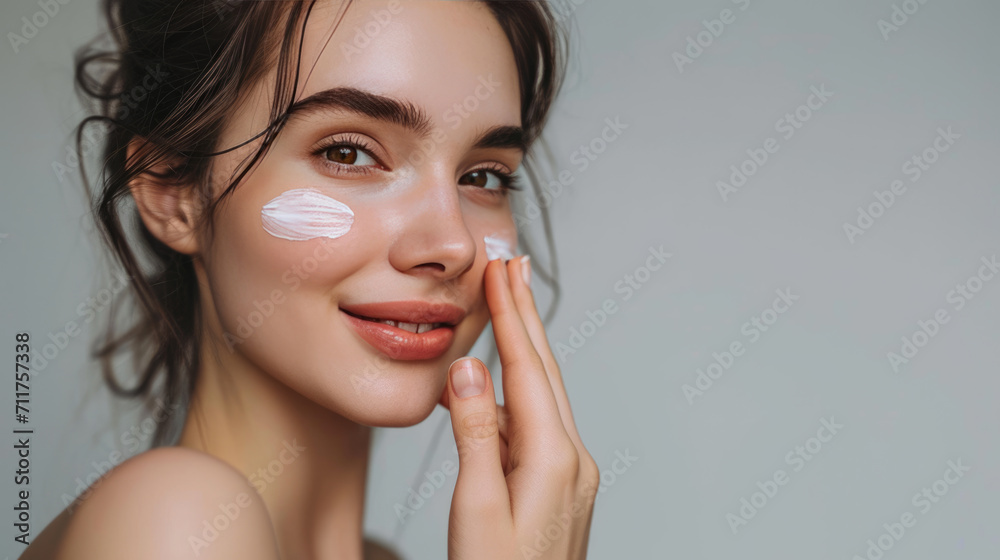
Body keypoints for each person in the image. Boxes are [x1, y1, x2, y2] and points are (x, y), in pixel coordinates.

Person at [21, 1, 599, 558]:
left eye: (483, 177)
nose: (454, 246)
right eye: (348, 154)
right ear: (172, 192)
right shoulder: (174, 521)